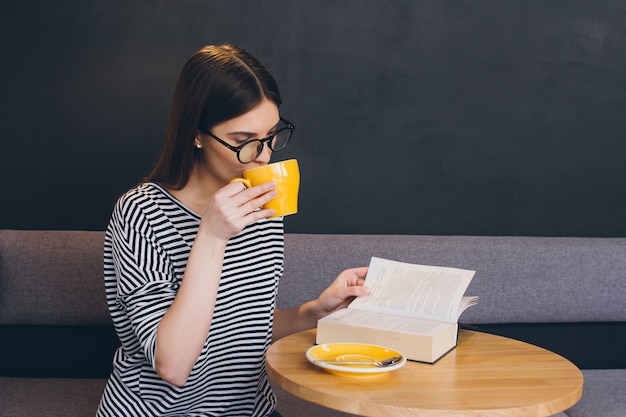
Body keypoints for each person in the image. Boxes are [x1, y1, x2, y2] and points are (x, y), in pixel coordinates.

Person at [96, 44, 368, 417]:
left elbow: (240, 326)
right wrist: (211, 236)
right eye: (243, 142)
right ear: (197, 134)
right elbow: (172, 365)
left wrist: (312, 313)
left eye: (272, 134)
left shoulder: (264, 209)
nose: (263, 155)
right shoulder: (142, 213)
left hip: (250, 409)